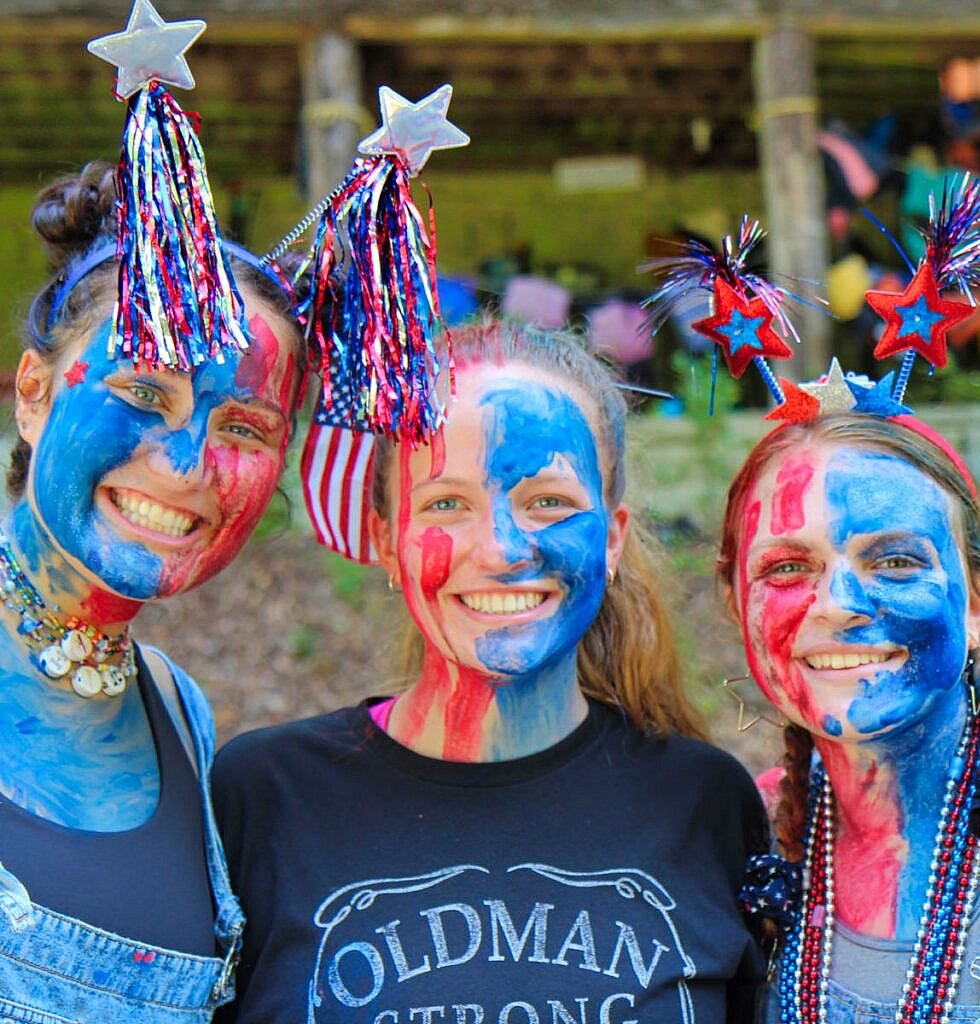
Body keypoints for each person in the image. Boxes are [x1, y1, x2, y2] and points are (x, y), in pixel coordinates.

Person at [213, 320, 768, 1024]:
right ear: (386, 539)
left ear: (612, 538)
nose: (501, 549)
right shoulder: (264, 799)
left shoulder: (705, 803)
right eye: (446, 504)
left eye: (549, 502)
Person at [0, 161, 305, 1021]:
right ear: (34, 395)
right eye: (143, 391)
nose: (187, 466)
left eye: (243, 427)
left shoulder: (179, 714)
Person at [716, 412, 980, 1024]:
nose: (837, 605)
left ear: (978, 599)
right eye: (787, 567)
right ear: (736, 603)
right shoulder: (745, 836)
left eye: (896, 562)